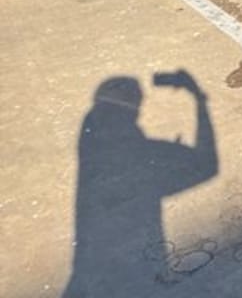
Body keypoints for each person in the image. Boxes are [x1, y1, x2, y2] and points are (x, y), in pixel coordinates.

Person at [63, 71, 218, 297]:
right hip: (126, 273)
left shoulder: (93, 144)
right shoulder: (135, 148)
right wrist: (199, 100)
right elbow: (207, 166)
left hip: (92, 270)